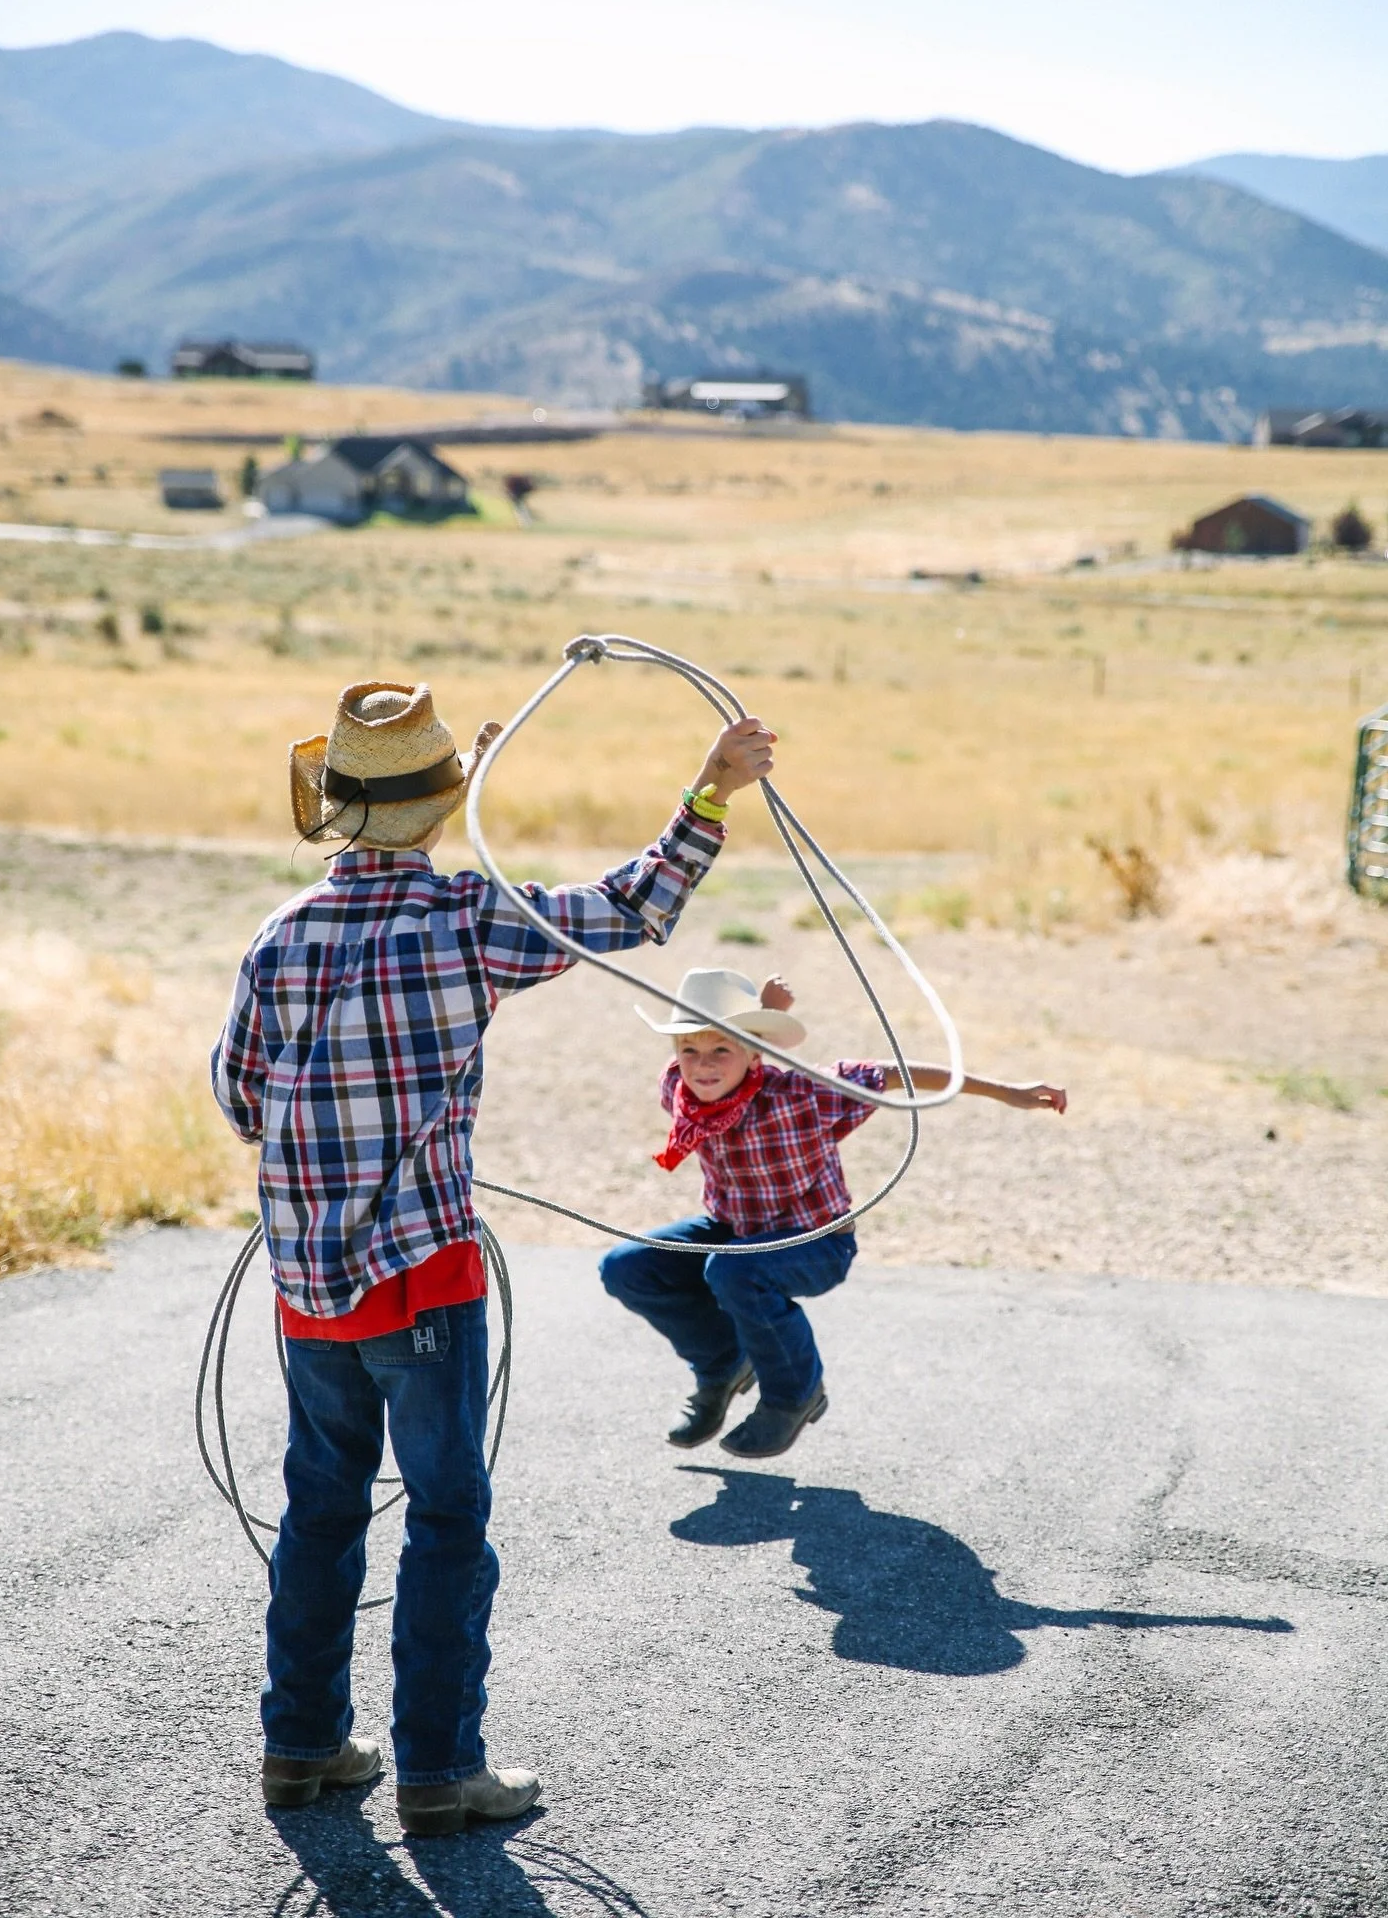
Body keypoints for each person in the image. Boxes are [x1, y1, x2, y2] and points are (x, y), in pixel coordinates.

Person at [211, 679, 775, 1834]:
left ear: (341, 809)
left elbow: (238, 1097)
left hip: (306, 1289)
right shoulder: (470, 919)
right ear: (438, 810)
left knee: (320, 1509)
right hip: (423, 1277)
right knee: (446, 1517)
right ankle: (439, 1771)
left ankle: (301, 1747)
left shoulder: (281, 934)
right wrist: (712, 790)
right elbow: (631, 906)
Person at [600, 968, 1066, 1461]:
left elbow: (893, 1074)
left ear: (756, 1054)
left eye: (720, 1049)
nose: (703, 1065)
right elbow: (724, 1056)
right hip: (734, 1232)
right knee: (627, 1267)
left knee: (732, 1271)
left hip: (816, 1242)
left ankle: (794, 1394)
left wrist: (1004, 1091)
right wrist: (764, 1017)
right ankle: (722, 1364)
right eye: (689, 1050)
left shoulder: (806, 1094)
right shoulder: (677, 1087)